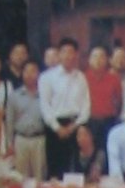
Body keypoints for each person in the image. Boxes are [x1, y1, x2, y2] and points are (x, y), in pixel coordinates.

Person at [38, 38, 91, 177]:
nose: (68, 56)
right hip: (54, 128)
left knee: (76, 170)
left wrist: (74, 126)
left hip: (75, 126)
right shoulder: (46, 77)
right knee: (56, 171)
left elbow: (86, 106)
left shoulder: (81, 77)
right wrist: (57, 128)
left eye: (71, 52)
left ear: (76, 55)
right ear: (59, 54)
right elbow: (45, 106)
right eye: (64, 52)